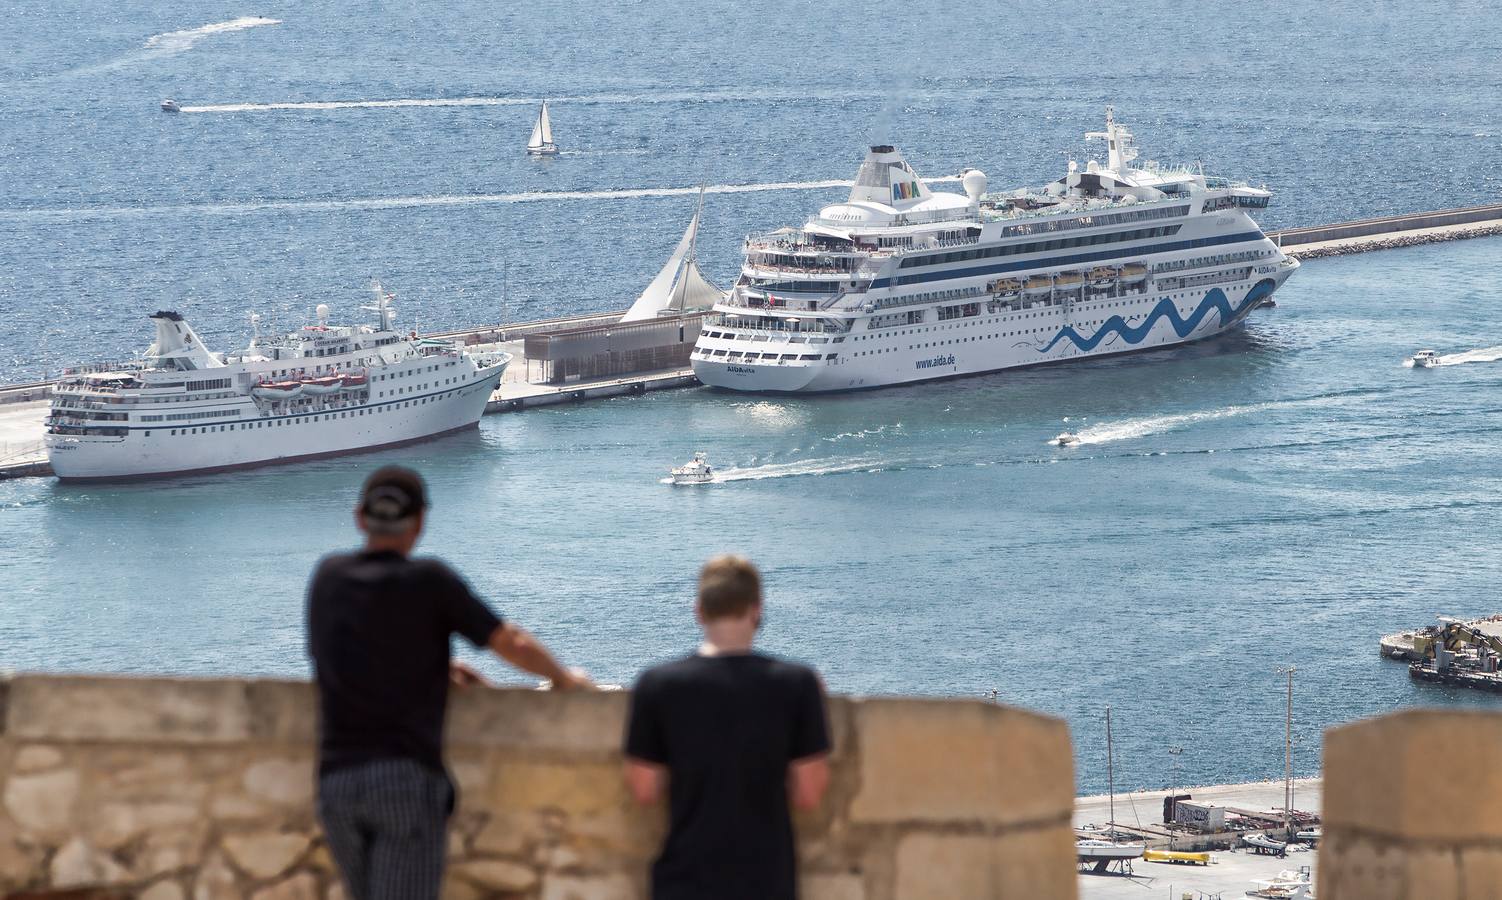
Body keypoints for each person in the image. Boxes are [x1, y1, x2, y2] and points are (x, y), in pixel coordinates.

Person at [308, 465, 589, 900]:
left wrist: (431, 667)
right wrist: (565, 679)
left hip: (336, 784)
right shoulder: (430, 580)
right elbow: (509, 643)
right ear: (419, 522)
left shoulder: (327, 578)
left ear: (360, 518)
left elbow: (342, 655)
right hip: (404, 779)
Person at [623, 554, 831, 900]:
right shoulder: (797, 685)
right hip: (766, 880)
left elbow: (645, 790)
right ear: (756, 610)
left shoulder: (657, 685)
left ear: (699, 611)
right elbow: (808, 795)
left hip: (684, 880)